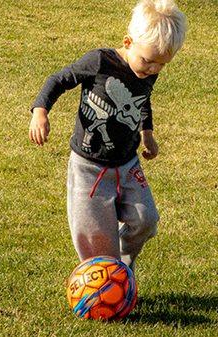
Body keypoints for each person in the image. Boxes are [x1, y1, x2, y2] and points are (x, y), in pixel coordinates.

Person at [29, 0, 187, 272]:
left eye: (161, 65)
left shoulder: (148, 71)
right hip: (89, 166)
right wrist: (40, 111)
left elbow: (142, 100)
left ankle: (121, 271)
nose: (151, 69)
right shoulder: (100, 61)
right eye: (147, 60)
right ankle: (105, 283)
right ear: (128, 42)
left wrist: (146, 133)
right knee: (96, 241)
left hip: (127, 164)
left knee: (146, 219)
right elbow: (59, 79)